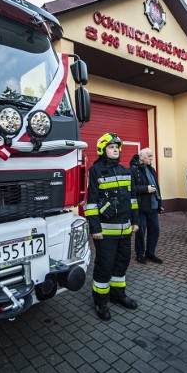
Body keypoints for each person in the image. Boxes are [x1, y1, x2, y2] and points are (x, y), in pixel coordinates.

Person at [84, 132, 139, 321]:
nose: (116, 149)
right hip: (105, 232)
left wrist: (136, 221)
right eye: (111, 147)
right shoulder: (96, 171)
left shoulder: (126, 171)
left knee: (121, 264)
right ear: (102, 149)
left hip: (125, 230)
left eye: (117, 147)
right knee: (104, 265)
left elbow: (132, 199)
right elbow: (90, 203)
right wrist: (95, 228)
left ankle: (118, 295)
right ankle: (100, 302)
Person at [130, 148, 163, 264]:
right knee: (141, 231)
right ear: (141, 157)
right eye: (149, 156)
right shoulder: (133, 170)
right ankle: (140, 254)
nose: (151, 158)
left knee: (155, 230)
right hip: (141, 207)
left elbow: (157, 187)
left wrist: (160, 203)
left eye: (152, 156)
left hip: (153, 206)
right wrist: (146, 189)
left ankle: (150, 253)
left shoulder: (151, 168)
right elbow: (131, 189)